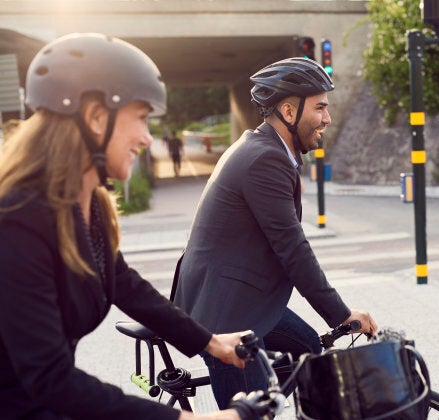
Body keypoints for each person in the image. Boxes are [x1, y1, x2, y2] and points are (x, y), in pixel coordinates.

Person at [0, 33, 259, 420]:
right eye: (140, 118)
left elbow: (123, 283)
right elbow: (50, 379)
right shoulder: (17, 222)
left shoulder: (89, 206)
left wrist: (210, 343)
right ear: (95, 117)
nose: (147, 137)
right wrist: (189, 419)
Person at [173, 57, 378, 409]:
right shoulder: (264, 160)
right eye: (320, 108)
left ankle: (271, 404)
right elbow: (293, 248)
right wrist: (341, 314)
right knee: (250, 413)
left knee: (309, 351)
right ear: (288, 110)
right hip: (226, 315)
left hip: (238, 298)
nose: (327, 118)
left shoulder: (262, 149)